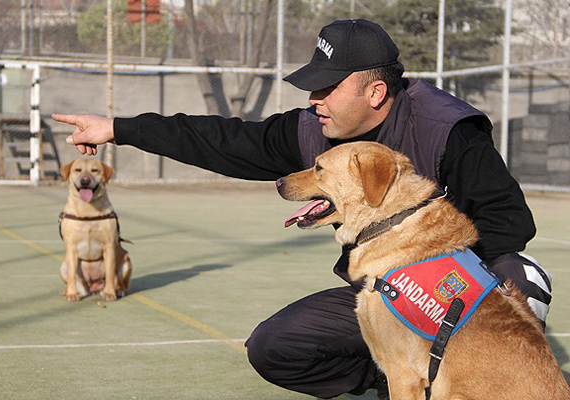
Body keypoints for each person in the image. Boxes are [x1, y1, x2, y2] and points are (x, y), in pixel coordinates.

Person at [53, 19, 553, 399]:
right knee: (275, 347)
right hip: (379, 292)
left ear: (375, 91)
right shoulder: (316, 129)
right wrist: (119, 128)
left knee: (524, 277)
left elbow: (508, 222)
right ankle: (394, 379)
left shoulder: (447, 128)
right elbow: (224, 139)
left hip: (457, 293)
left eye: (326, 86)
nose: (314, 98)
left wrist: (433, 273)